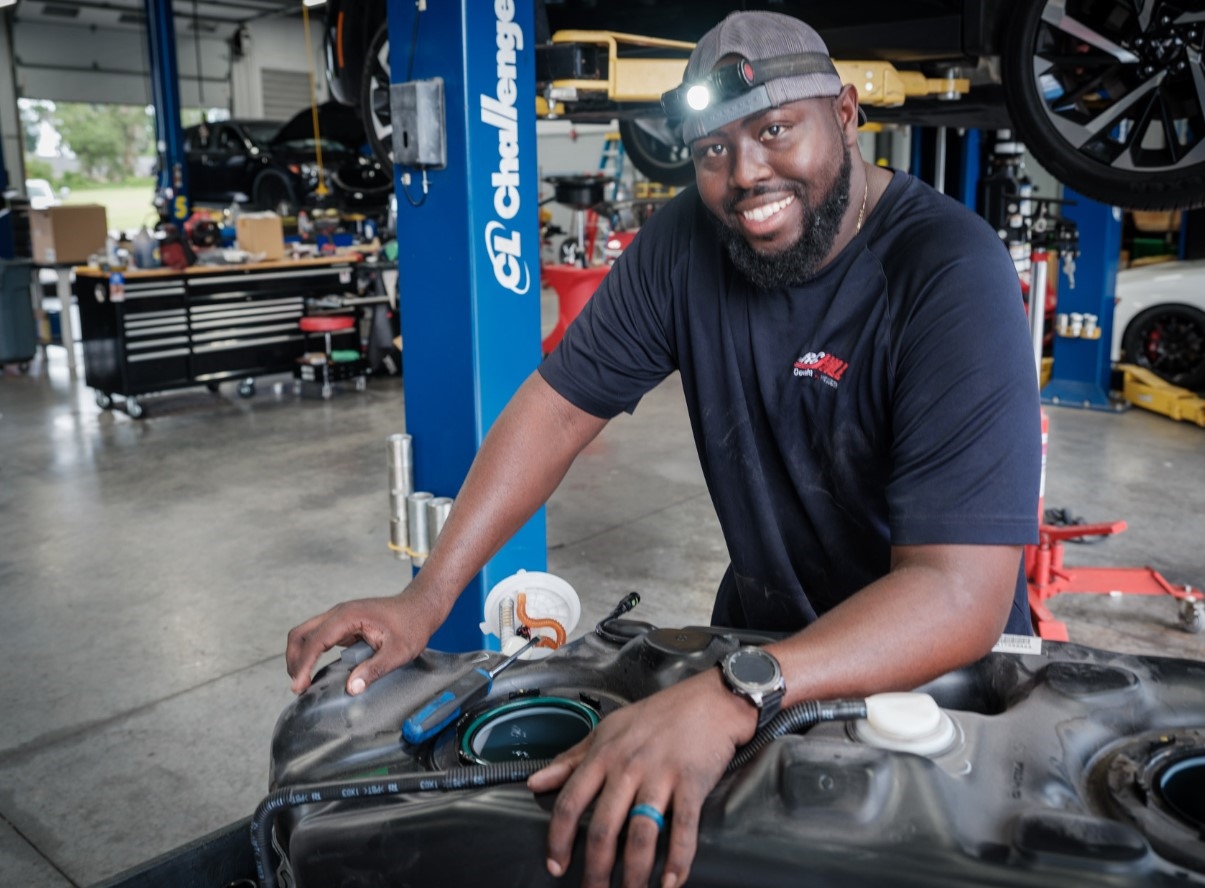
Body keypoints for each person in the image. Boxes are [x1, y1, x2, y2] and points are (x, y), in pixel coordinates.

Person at [287, 10, 1041, 888]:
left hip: (932, 694)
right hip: (764, 645)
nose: (745, 174)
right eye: (711, 149)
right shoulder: (686, 242)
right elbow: (556, 410)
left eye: (774, 131)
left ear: (844, 113)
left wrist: (733, 691)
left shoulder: (948, 270)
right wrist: (426, 597)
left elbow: (957, 595)